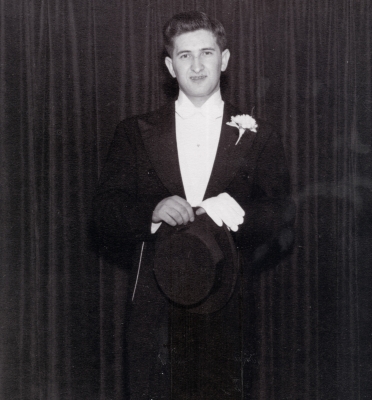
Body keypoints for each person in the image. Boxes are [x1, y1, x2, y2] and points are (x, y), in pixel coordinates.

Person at [93, 10, 295, 399]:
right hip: (156, 304)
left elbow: (282, 213)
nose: (197, 65)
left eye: (207, 53)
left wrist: (230, 212)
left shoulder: (259, 132)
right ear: (170, 66)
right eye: (185, 56)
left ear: (225, 59)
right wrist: (151, 211)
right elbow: (103, 211)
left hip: (229, 300)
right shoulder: (135, 131)